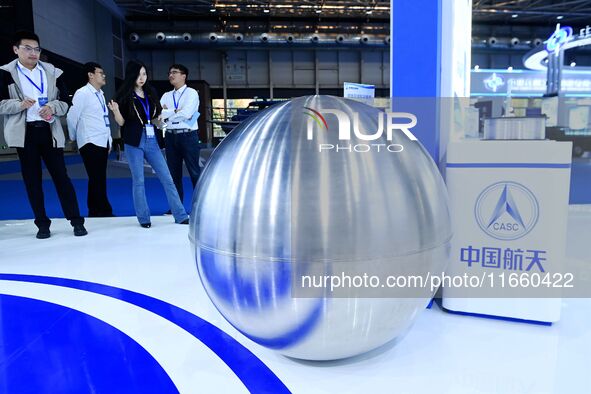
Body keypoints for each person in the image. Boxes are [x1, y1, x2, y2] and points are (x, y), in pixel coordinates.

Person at [0, 30, 87, 239]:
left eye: (36, 49)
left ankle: (76, 221)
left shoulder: (53, 72)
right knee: (32, 180)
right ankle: (42, 224)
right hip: (25, 133)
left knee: (62, 178)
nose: (33, 53)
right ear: (16, 50)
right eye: (27, 48)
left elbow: (66, 102)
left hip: (49, 130)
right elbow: (1, 104)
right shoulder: (5, 74)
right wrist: (19, 104)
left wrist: (52, 107)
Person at [107, 60, 189, 228]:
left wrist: (159, 120)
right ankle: (144, 218)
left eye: (144, 74)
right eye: (138, 74)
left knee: (167, 178)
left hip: (152, 138)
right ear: (132, 75)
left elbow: (154, 117)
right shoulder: (123, 95)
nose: (142, 78)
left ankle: (180, 215)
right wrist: (115, 111)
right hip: (133, 140)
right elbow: (122, 123)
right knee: (139, 180)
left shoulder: (151, 93)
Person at [67, 62, 113, 217]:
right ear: (90, 75)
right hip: (89, 141)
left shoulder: (100, 94)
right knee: (96, 177)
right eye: (100, 72)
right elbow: (72, 117)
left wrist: (109, 140)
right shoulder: (83, 93)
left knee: (98, 177)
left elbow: (104, 119)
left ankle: (95, 209)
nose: (104, 75)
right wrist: (73, 137)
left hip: (102, 140)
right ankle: (103, 209)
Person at [160, 64, 201, 203]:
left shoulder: (191, 93)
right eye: (170, 72)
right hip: (170, 136)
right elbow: (160, 114)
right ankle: (177, 207)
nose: (171, 75)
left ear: (184, 76)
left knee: (194, 171)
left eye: (175, 72)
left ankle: (199, 203)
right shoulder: (166, 95)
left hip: (188, 135)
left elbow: (188, 113)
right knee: (174, 174)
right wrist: (176, 111)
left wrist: (169, 112)